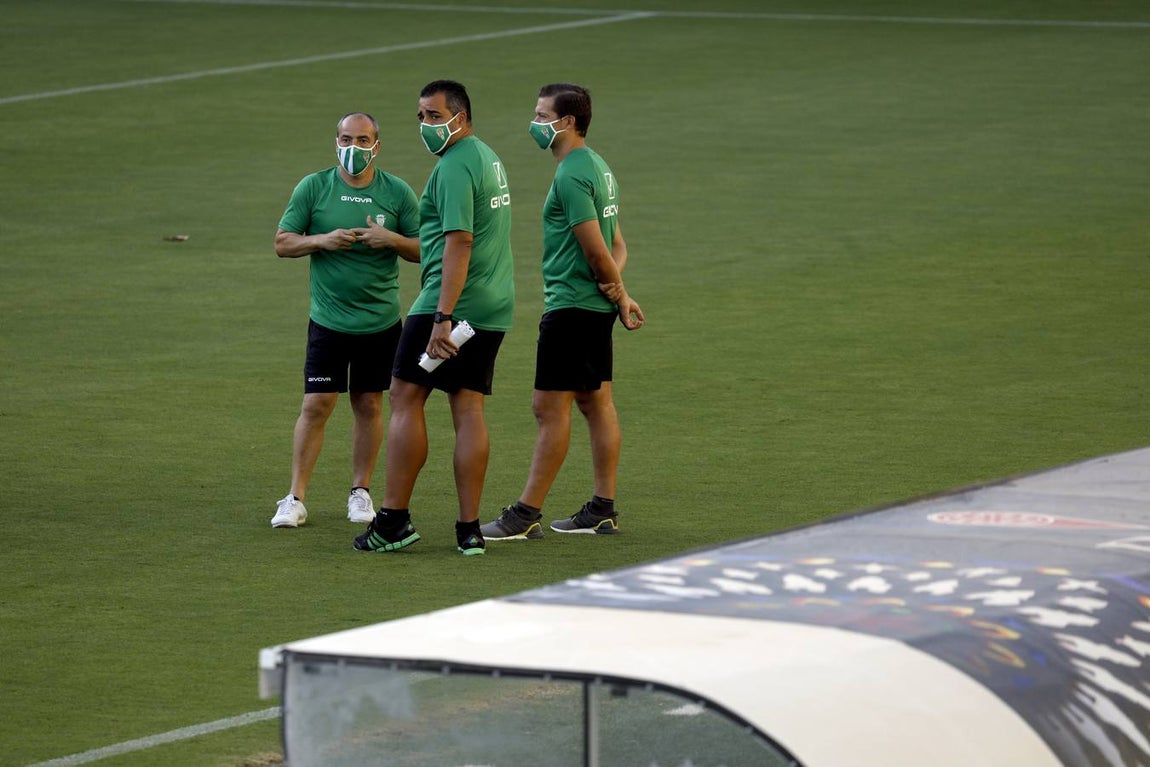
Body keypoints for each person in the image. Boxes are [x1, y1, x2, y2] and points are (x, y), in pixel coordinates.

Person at [354, 80, 515, 556]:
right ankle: (469, 530)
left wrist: (442, 316)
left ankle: (393, 522)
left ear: (459, 117)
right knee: (467, 407)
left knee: (404, 396)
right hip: (493, 304)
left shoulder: (454, 167)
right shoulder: (488, 157)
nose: (424, 125)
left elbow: (458, 241)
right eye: (420, 116)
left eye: (432, 115)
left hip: (449, 304)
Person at [481, 83, 644, 543]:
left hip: (571, 308)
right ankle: (602, 509)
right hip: (593, 308)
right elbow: (618, 244)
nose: (534, 123)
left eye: (540, 114)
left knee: (549, 408)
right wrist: (619, 293)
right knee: (597, 403)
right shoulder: (600, 167)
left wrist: (613, 286)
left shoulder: (572, 174)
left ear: (567, 121)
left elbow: (597, 250)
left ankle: (525, 514)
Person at [270, 112, 420, 528]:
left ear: (378, 144)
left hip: (380, 322)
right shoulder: (314, 187)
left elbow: (427, 247)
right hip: (329, 322)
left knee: (369, 403)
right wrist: (323, 240)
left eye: (363, 139)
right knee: (316, 405)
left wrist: (390, 240)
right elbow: (282, 243)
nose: (354, 148)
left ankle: (361, 492)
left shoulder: (398, 192)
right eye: (346, 139)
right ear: (335, 142)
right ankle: (295, 497)